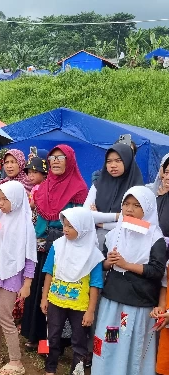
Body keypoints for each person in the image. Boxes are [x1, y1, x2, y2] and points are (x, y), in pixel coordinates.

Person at [91, 186, 167, 375]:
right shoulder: (114, 233)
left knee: (130, 341)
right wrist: (109, 261)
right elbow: (102, 263)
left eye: (136, 205)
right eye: (126, 204)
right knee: (111, 339)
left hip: (138, 304)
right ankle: (108, 370)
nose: (129, 209)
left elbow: (157, 271)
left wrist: (126, 264)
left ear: (147, 209)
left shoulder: (155, 238)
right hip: (113, 300)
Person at [22, 145, 88, 350]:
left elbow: (80, 221)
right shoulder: (42, 188)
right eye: (53, 158)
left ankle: (57, 342)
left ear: (70, 160)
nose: (56, 161)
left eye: (61, 157)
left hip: (66, 245)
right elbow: (39, 221)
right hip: (42, 246)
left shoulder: (79, 189)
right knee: (39, 289)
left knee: (58, 292)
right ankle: (36, 336)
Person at [0, 181, 36, 374]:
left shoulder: (26, 225)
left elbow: (30, 258)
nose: (0, 203)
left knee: (5, 317)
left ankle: (15, 361)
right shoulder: (0, 216)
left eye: (5, 199)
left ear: (17, 200)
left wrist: (27, 283)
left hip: (11, 275)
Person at [40, 207, 104, 374]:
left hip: (80, 306)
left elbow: (95, 284)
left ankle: (77, 371)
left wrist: (90, 311)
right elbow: (48, 272)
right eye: (65, 225)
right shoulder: (58, 246)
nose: (65, 229)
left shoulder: (93, 254)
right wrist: (44, 297)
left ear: (83, 228)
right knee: (52, 337)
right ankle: (50, 369)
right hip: (55, 300)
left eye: (71, 226)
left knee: (79, 342)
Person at [85, 143, 144, 249]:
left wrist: (102, 222)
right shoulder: (98, 184)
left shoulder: (139, 189)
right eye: (109, 161)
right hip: (96, 244)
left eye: (118, 160)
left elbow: (139, 226)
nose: (113, 165)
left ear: (128, 161)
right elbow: (86, 215)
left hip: (127, 246)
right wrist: (118, 216)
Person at [0, 149, 33, 217]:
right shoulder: (0, 185)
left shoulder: (30, 183)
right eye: (6, 162)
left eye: (13, 162)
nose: (9, 166)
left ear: (21, 163)